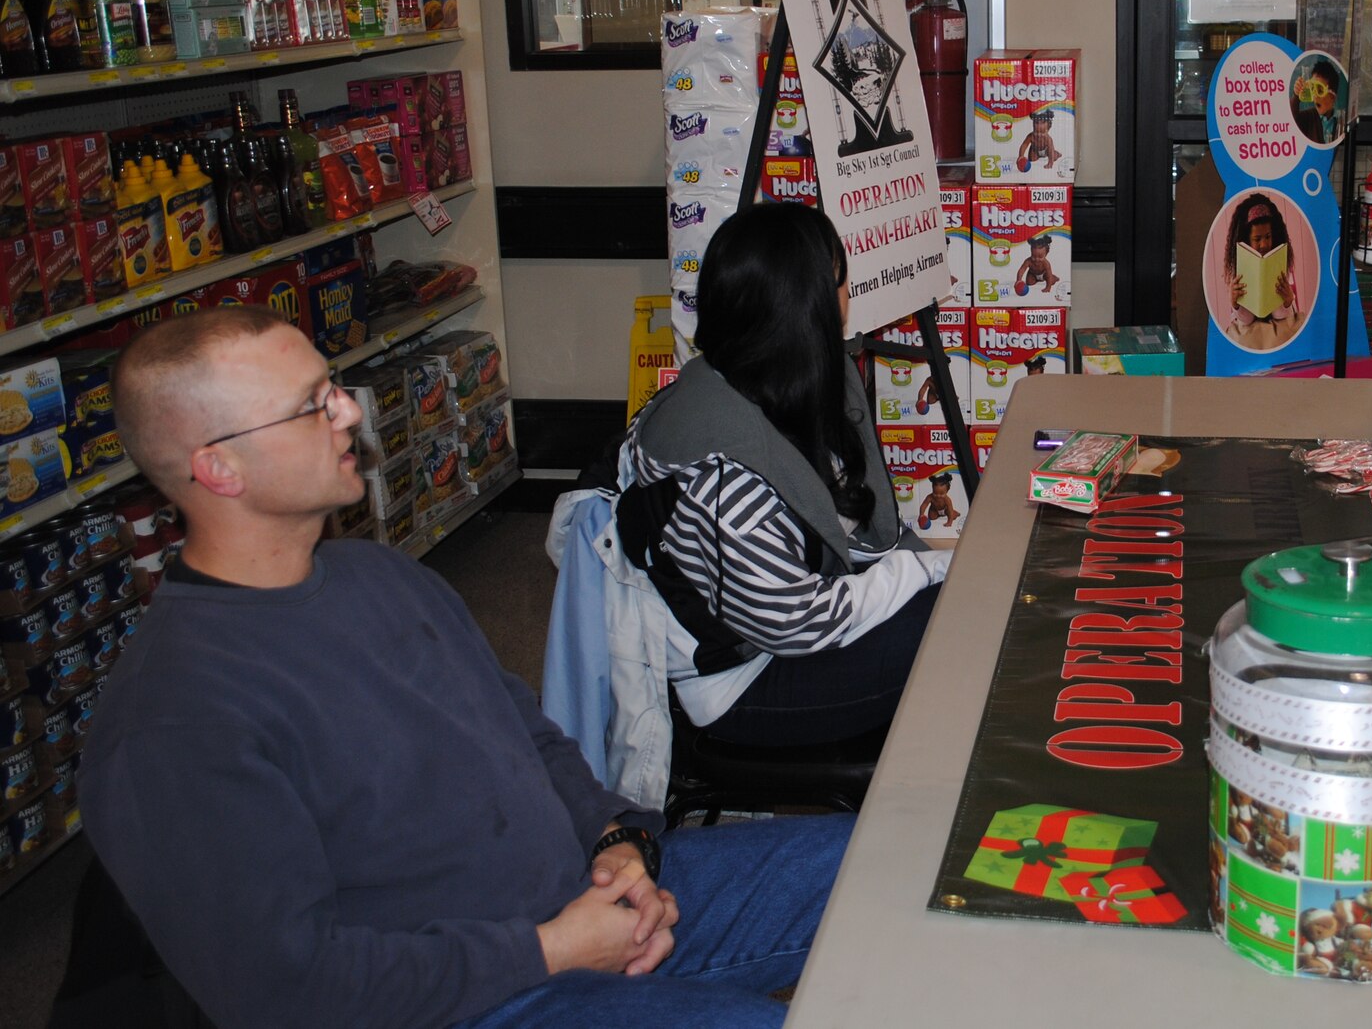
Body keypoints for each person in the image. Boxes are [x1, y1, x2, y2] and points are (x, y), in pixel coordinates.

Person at [81, 307, 850, 1028]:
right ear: (219, 468)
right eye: (311, 405)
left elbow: (526, 734)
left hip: (586, 899)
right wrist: (553, 950)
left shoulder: (377, 573)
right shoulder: (173, 717)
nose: (349, 412)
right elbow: (288, 990)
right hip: (473, 999)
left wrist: (616, 839)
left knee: (887, 861)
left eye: (333, 388)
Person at [612, 202, 948, 748]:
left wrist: (918, 569)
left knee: (961, 598)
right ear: (805, 311)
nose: (848, 299)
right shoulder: (727, 477)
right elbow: (800, 623)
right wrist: (919, 572)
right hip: (743, 681)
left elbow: (842, 522)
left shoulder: (754, 379)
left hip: (780, 623)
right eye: (840, 285)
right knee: (962, 623)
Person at [1222, 192, 1304, 351]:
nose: (1264, 244)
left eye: (1268, 236)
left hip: (1278, 329)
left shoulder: (1280, 260)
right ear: (1246, 240)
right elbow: (1246, 320)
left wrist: (1288, 301)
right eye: (1257, 239)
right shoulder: (1239, 269)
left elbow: (1281, 315)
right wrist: (1235, 304)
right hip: (1252, 333)